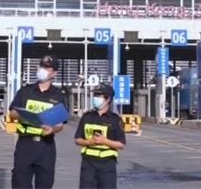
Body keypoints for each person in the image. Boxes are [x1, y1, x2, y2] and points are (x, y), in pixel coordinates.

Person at [8, 55, 68, 189]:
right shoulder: (25, 91)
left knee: (45, 184)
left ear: (54, 73)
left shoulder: (58, 96)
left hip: (46, 146)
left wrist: (52, 130)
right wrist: (20, 114)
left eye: (47, 67)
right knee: (20, 183)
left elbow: (60, 124)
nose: (42, 70)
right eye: (41, 66)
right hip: (25, 144)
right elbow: (12, 114)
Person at [74, 84, 126, 189]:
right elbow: (77, 139)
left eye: (99, 95)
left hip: (107, 164)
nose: (95, 98)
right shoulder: (86, 117)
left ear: (108, 99)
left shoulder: (115, 120)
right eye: (95, 95)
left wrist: (104, 141)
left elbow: (121, 144)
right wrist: (88, 142)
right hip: (88, 164)